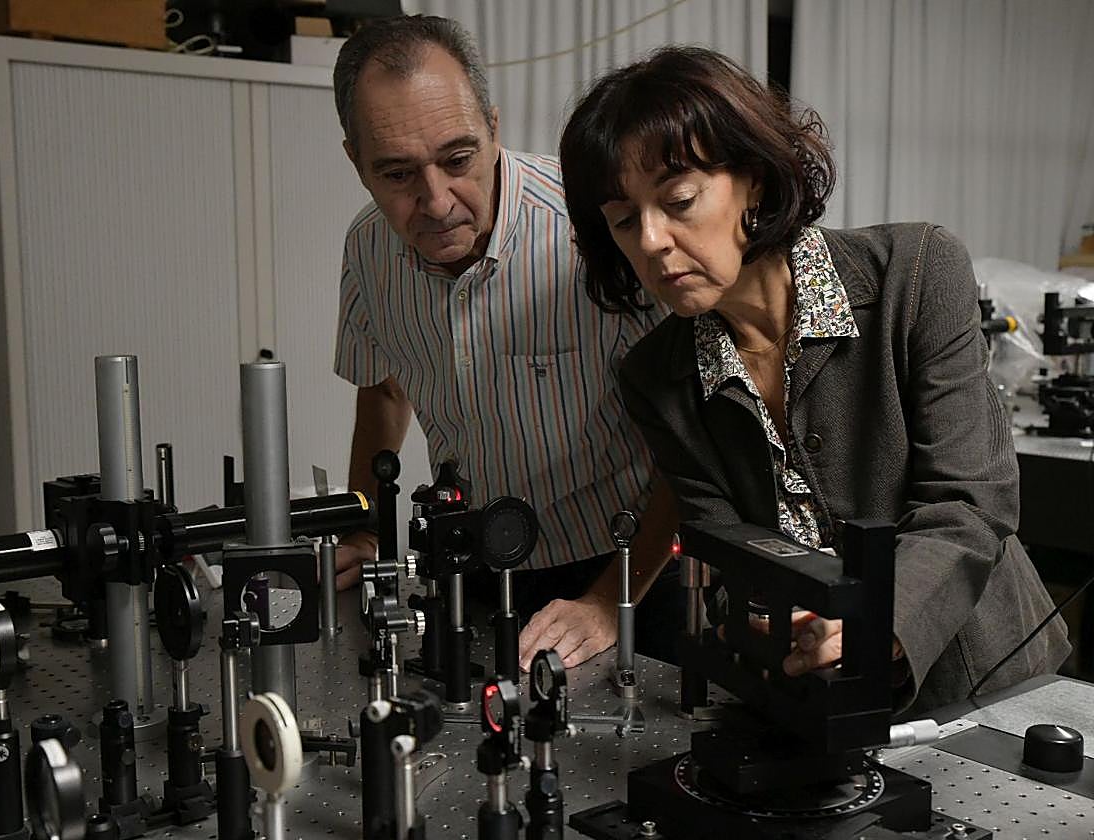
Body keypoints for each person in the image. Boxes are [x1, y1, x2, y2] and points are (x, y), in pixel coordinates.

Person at [557, 45, 1070, 714]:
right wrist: (765, 619)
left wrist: (877, 622)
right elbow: (719, 550)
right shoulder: (656, 377)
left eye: (678, 200)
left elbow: (971, 504)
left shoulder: (916, 273)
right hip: (808, 693)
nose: (651, 240)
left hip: (982, 682)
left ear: (755, 180)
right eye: (625, 221)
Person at [329, 15, 682, 670]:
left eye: (458, 160)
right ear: (356, 161)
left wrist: (610, 603)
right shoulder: (367, 248)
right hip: (473, 567)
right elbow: (383, 389)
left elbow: (699, 435)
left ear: (493, 128)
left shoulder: (597, 232)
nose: (437, 202)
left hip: (628, 569)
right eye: (398, 174)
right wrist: (362, 526)